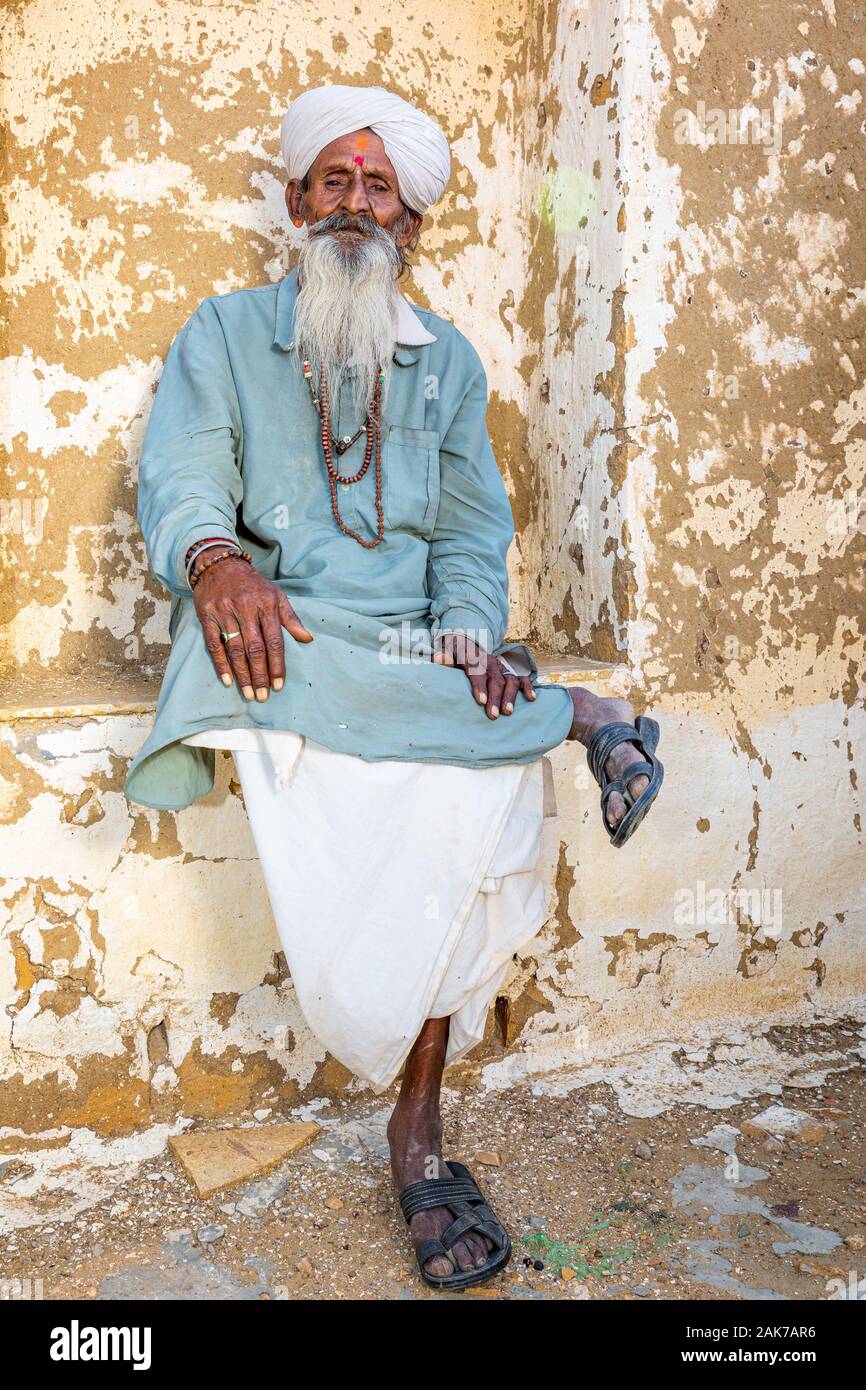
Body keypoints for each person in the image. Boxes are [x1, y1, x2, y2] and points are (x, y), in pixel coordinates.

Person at [125, 83, 663, 1290]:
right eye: (335, 181)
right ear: (293, 203)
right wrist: (215, 564)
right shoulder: (224, 332)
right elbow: (181, 471)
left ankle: (415, 1130)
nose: (356, 205)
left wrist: (473, 633)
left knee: (477, 789)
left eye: (380, 188)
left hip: (412, 650)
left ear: (410, 224)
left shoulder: (450, 364)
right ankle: (577, 713)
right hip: (282, 634)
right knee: (378, 691)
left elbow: (472, 535)